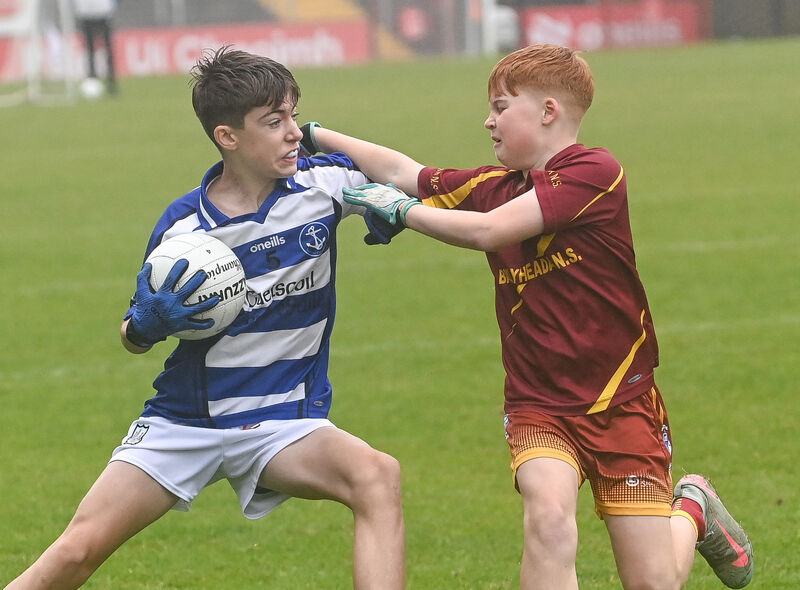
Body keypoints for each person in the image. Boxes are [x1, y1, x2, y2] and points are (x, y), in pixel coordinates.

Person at [304, 44, 754, 589]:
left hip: (623, 401)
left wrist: (404, 212)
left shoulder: (596, 171)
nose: (487, 121)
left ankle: (694, 509)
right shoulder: (493, 188)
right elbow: (404, 169)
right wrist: (313, 136)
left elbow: (487, 232)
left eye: (500, 107)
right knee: (547, 519)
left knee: (654, 582)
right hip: (539, 404)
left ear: (548, 111)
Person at [4, 47, 405, 590]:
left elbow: (406, 175)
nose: (292, 133)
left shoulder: (325, 186)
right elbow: (132, 336)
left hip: (281, 421)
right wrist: (147, 324)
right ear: (227, 136)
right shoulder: (184, 229)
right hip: (185, 419)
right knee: (76, 551)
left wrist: (367, 179)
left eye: (293, 115)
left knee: (376, 476)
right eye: (274, 122)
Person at [73, 0, 117, 94]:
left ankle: (111, 81)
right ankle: (92, 78)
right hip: (85, 13)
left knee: (107, 50)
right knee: (90, 50)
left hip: (103, 12)